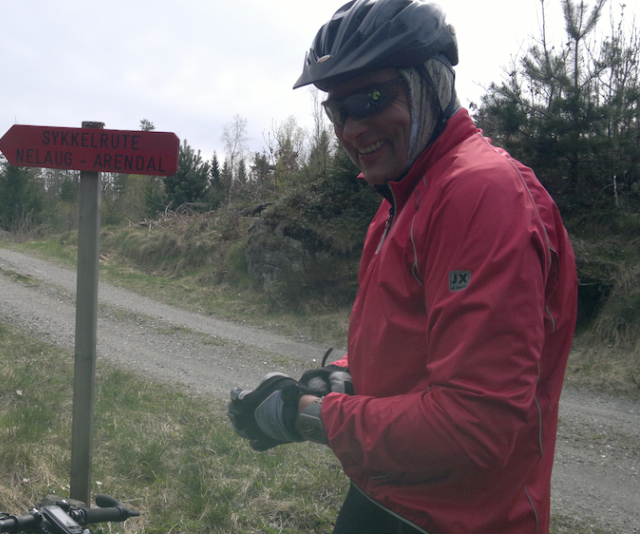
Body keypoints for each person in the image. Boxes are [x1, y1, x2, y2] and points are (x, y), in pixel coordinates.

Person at [226, 0, 579, 533]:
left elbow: (474, 426)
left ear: (433, 84)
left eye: (371, 99)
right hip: (386, 495)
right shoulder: (403, 198)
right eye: (337, 111)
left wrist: (307, 416)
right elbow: (415, 342)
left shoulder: (481, 193)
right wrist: (344, 375)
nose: (352, 129)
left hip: (459, 518)